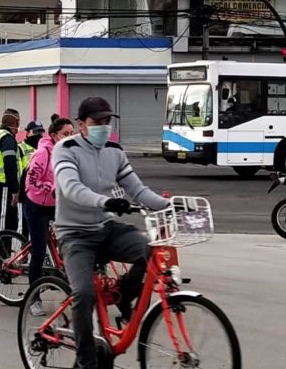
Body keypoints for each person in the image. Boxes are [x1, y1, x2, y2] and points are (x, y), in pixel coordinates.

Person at [52, 97, 169, 369]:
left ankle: (124, 295)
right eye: (97, 122)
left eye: (107, 122)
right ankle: (86, 361)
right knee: (83, 295)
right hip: (75, 234)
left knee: (151, 253)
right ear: (81, 124)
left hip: (106, 228)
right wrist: (105, 201)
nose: (103, 127)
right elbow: (71, 188)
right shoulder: (65, 149)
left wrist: (169, 204)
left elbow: (137, 189)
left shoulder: (114, 151)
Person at [24, 117, 74, 315]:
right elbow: (31, 181)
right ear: (54, 136)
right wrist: (51, 188)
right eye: (65, 134)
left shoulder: (68, 153)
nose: (69, 138)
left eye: (72, 134)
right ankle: (33, 298)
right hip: (37, 204)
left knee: (72, 243)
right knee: (38, 251)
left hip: (56, 204)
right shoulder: (43, 153)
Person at [0, 109, 21, 235]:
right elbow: (10, 165)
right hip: (4, 187)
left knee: (8, 223)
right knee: (3, 225)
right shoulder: (7, 139)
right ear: (16, 123)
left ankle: (3, 253)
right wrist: (15, 189)